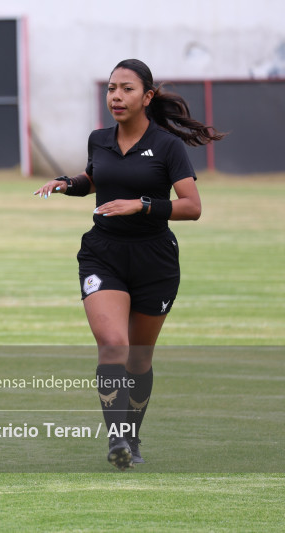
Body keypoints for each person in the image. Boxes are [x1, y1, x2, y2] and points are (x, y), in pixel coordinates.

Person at [34, 59, 224, 470]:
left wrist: (142, 205)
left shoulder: (167, 145)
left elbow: (192, 207)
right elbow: (94, 179)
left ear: (147, 96)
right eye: (111, 89)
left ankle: (132, 435)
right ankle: (117, 438)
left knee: (138, 360)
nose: (116, 97)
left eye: (127, 89)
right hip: (103, 252)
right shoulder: (98, 139)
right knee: (114, 346)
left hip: (155, 260)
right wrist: (69, 184)